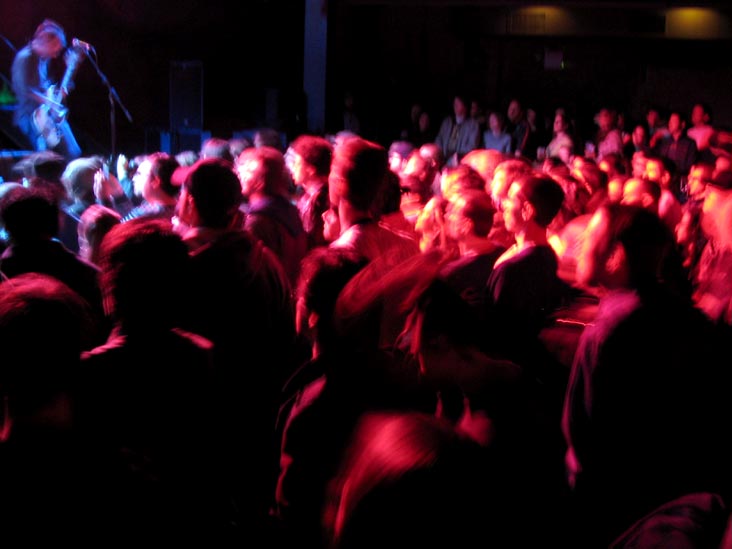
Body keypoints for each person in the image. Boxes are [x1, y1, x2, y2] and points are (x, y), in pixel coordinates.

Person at [11, 19, 83, 160]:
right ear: (45, 42)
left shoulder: (43, 60)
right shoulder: (25, 57)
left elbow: (45, 88)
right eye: (55, 48)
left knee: (73, 152)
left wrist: (58, 93)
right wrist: (50, 102)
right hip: (30, 117)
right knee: (46, 160)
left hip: (47, 114)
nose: (56, 55)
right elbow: (25, 90)